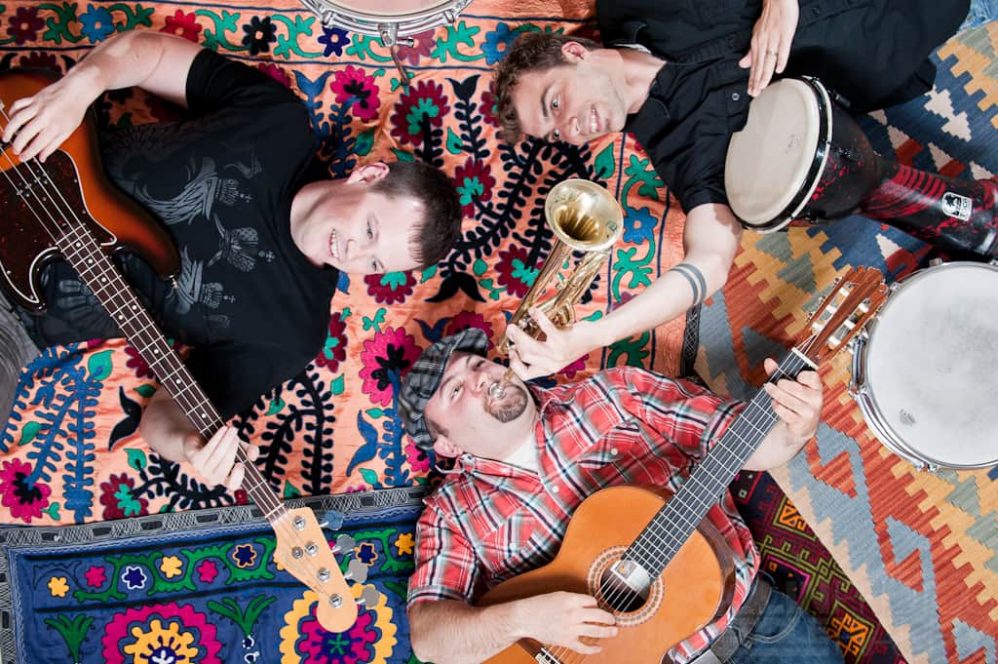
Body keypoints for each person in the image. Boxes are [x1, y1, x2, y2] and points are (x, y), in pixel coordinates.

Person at [0, 31, 462, 491]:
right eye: (370, 231)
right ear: (368, 175)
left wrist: (189, 448)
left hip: (14, 317)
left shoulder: (293, 331)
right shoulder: (276, 121)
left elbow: (165, 413)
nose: (355, 254)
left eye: (376, 264)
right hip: (21, 156)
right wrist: (81, 86)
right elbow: (150, 51)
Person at [491, 0, 975, 380]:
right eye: (555, 133)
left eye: (555, 102)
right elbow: (709, 261)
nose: (570, 128)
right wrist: (589, 337)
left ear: (576, 54)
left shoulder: (628, 3)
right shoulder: (678, 147)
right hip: (932, 19)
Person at [398, 328, 839, 664]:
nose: (480, 379)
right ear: (446, 445)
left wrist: (795, 426)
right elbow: (431, 638)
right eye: (454, 390)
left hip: (756, 630)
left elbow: (752, 444)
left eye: (477, 364)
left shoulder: (612, 392)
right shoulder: (450, 513)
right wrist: (526, 619)